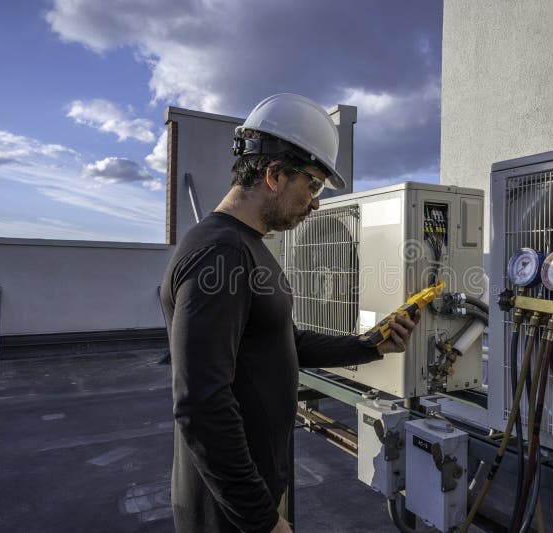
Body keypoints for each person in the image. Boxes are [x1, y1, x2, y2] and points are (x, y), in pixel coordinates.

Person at [159, 93, 420, 533]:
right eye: (314, 185)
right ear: (274, 174)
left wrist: (370, 344)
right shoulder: (220, 252)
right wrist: (262, 520)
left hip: (251, 499)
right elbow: (201, 404)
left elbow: (282, 342)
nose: (317, 202)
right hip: (229, 515)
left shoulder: (247, 247)